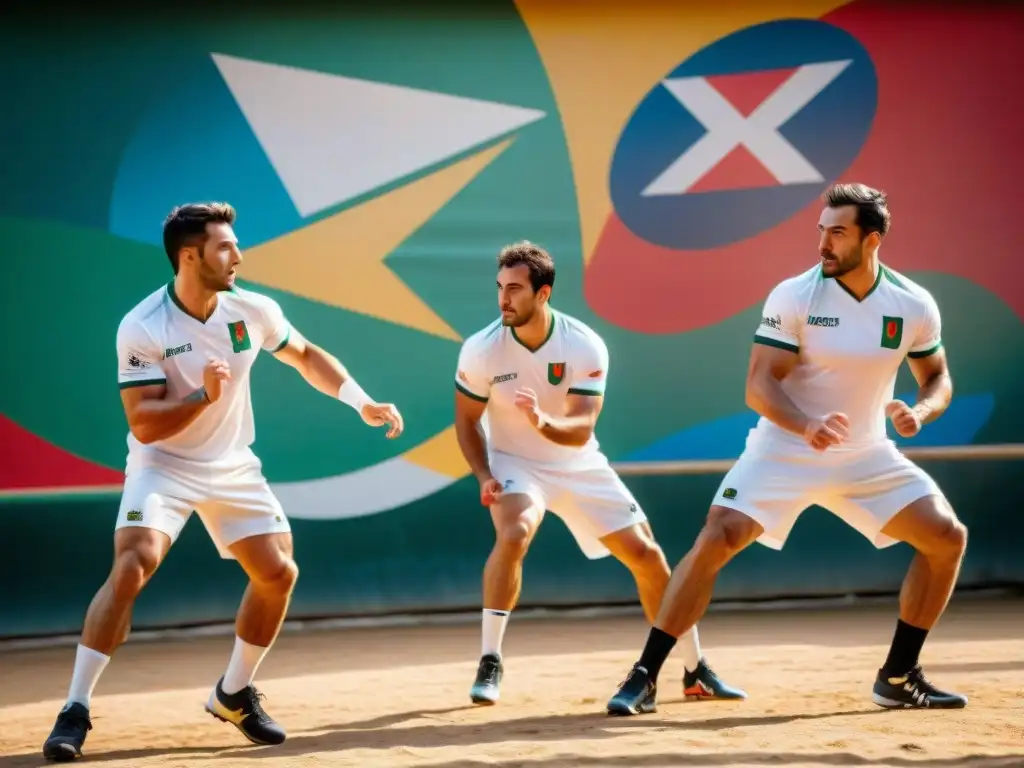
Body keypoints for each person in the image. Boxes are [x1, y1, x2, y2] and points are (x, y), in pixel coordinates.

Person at [41, 202, 404, 762]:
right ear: (190, 256)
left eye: (235, 245)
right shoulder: (142, 325)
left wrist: (361, 402)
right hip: (162, 466)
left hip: (232, 465)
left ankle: (232, 693)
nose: (238, 255)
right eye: (225, 247)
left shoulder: (252, 309)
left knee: (279, 572)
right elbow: (142, 420)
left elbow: (305, 355)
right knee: (133, 563)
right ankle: (75, 709)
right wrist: (200, 397)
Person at [606, 183, 970, 716]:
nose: (823, 242)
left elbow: (936, 376)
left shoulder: (913, 304)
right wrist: (806, 426)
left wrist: (922, 411)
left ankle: (897, 675)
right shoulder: (795, 294)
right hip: (784, 448)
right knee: (717, 537)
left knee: (946, 538)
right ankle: (646, 675)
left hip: (866, 453)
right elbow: (759, 385)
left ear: (871, 240)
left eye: (837, 232)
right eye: (821, 230)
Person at [453, 241, 745, 707]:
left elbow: (583, 425)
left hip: (578, 462)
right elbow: (467, 421)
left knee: (647, 555)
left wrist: (543, 421)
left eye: (514, 289)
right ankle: (490, 660)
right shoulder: (481, 350)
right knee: (514, 532)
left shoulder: (583, 344)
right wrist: (485, 473)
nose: (503, 299)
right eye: (499, 288)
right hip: (515, 464)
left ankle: (695, 669)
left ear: (543, 293)